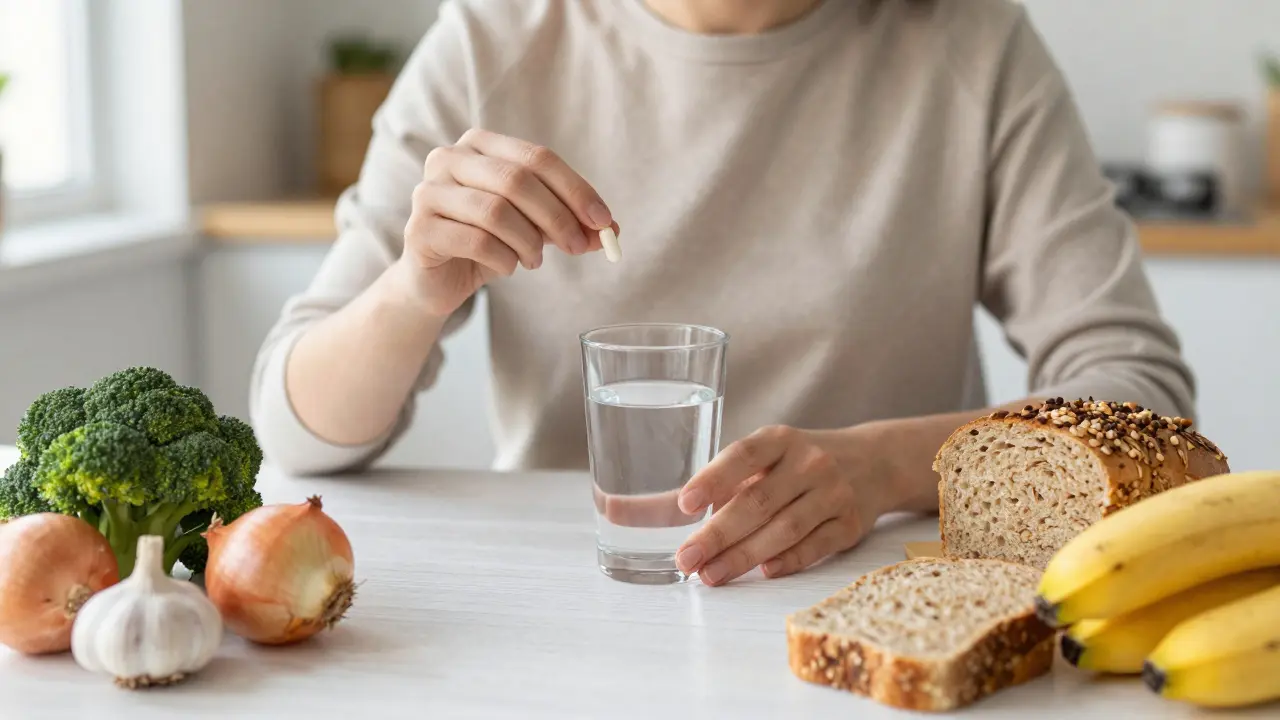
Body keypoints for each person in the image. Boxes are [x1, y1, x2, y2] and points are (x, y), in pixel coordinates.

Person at [249, 0, 1196, 587]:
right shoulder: (490, 41)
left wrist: (893, 469)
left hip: (890, 592)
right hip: (578, 605)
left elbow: (1143, 402)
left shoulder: (970, 42)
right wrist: (414, 289)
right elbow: (296, 433)